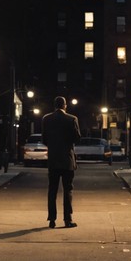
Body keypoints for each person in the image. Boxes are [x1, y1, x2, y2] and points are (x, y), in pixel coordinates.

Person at [41, 96, 82, 228]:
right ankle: (67, 219)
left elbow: (44, 139)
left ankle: (52, 219)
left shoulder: (46, 119)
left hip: (53, 159)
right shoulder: (72, 119)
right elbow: (77, 137)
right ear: (65, 106)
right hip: (67, 159)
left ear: (54, 105)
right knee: (67, 190)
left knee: (52, 190)